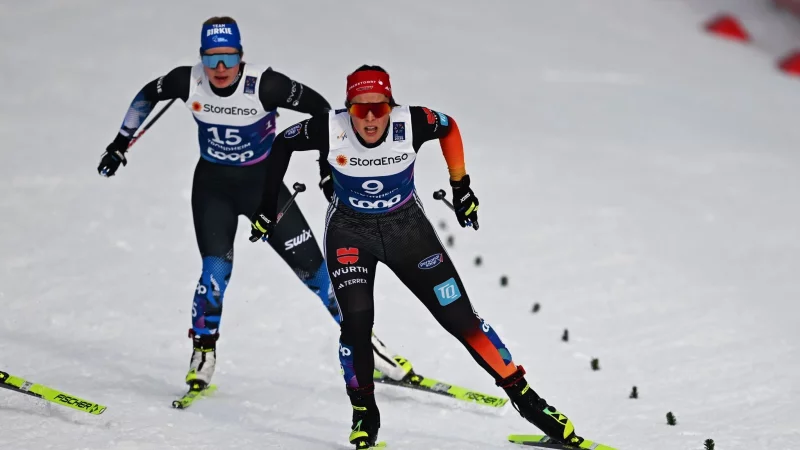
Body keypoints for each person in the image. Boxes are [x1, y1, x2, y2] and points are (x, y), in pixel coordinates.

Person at [249, 65, 586, 449]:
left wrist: (461, 187)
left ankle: (533, 405)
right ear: (348, 110)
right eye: (361, 110)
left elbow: (450, 127)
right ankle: (364, 414)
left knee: (461, 319)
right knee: (357, 326)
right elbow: (281, 145)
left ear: (392, 105)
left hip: (408, 232)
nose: (371, 118)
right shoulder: (329, 127)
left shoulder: (413, 122)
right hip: (349, 233)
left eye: (380, 108)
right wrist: (265, 206)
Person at [96, 17, 413, 393]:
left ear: (241, 56)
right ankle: (203, 350)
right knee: (215, 273)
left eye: (228, 57)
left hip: (265, 192)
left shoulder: (266, 85)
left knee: (317, 272)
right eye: (211, 58)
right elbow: (148, 94)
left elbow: (322, 111)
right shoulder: (188, 80)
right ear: (201, 58)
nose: (219, 68)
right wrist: (120, 142)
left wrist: (326, 168)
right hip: (213, 190)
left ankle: (367, 345)